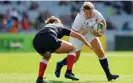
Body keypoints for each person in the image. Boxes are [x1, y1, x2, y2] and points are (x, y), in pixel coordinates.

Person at [55, 2, 119, 81]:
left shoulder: (96, 13)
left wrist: (101, 32)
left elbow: (103, 23)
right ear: (83, 11)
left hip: (90, 33)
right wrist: (85, 32)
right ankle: (60, 64)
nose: (89, 14)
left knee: (100, 52)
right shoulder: (79, 18)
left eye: (90, 12)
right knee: (75, 58)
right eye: (86, 12)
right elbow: (76, 33)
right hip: (77, 36)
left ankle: (109, 75)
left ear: (93, 10)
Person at [33, 16, 92, 83]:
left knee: (47, 56)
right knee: (72, 48)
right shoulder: (60, 26)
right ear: (56, 21)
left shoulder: (47, 26)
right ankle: (69, 72)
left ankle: (39, 79)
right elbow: (78, 35)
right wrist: (86, 43)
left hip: (36, 41)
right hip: (49, 37)